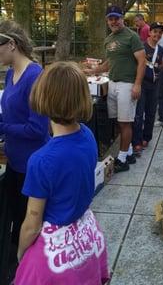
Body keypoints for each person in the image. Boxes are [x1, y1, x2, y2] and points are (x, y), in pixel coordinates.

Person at [14, 62, 109, 285]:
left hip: (54, 254)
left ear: (43, 97)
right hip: (86, 235)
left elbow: (32, 222)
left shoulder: (41, 160)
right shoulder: (87, 135)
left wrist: (21, 253)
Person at [0, 20, 49, 272]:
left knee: (28, 223)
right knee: (13, 218)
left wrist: (3, 128)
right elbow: (9, 113)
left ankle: (28, 270)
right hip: (14, 161)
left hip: (31, 165)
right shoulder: (9, 73)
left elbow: (37, 129)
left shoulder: (35, 76)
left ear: (11, 44)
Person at [84, 6, 145, 173]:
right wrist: (93, 71)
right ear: (107, 20)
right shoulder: (108, 39)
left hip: (127, 84)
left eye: (117, 18)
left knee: (125, 123)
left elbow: (142, 61)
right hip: (112, 83)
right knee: (118, 122)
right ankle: (130, 152)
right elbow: (109, 62)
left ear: (122, 18)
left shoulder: (132, 37)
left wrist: (137, 84)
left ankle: (122, 159)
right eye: (111, 18)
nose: (114, 21)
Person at [132, 22, 163, 154]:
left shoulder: (160, 49)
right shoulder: (141, 47)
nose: (157, 34)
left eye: (160, 32)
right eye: (155, 32)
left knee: (151, 112)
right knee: (139, 114)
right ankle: (137, 141)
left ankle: (147, 137)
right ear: (150, 32)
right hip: (142, 84)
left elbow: (159, 64)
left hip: (155, 83)